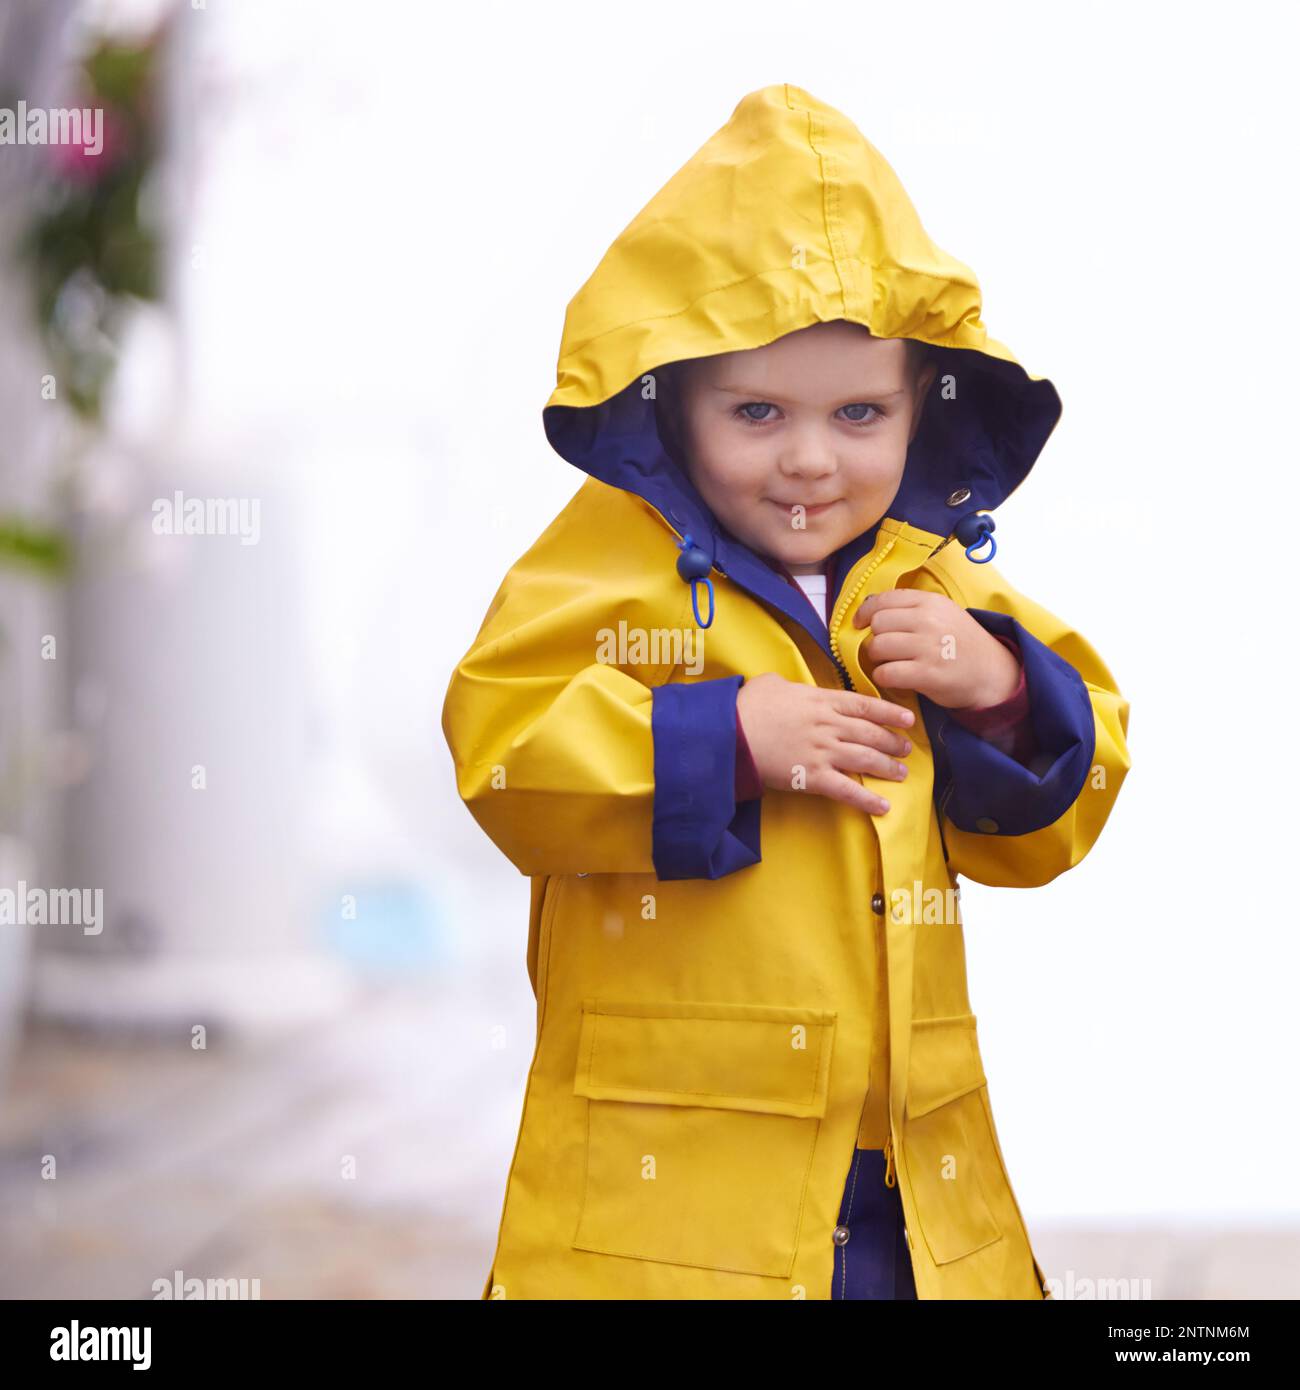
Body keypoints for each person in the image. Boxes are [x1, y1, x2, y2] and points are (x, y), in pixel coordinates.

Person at [441, 83, 1131, 1300]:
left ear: (920, 409)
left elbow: (1078, 786)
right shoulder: (607, 565)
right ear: (671, 403)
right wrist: (720, 733)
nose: (811, 457)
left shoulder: (934, 577)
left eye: (858, 413)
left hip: (905, 1151)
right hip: (679, 1164)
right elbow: (503, 752)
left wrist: (999, 690)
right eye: (757, 412)